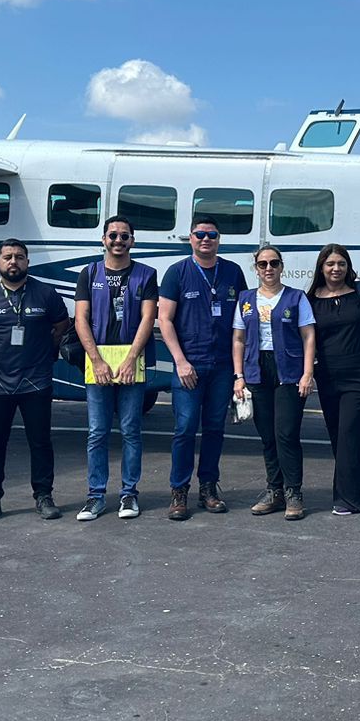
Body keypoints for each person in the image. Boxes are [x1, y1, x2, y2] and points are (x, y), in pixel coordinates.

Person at [0, 239, 71, 525]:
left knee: (40, 441)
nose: (14, 262)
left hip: (36, 380)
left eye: (20, 257)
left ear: (27, 262)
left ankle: (44, 496)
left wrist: (44, 350)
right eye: (8, 257)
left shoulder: (46, 293)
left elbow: (61, 326)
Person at [157, 215, 247, 520]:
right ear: (191, 238)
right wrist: (180, 361)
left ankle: (208, 488)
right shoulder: (177, 272)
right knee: (184, 429)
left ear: (219, 239)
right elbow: (165, 319)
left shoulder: (233, 272)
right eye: (200, 234)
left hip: (222, 366)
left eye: (211, 235)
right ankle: (179, 491)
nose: (206, 239)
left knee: (214, 428)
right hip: (189, 366)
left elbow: (242, 321)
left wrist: (240, 370)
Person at [73, 215, 158, 521]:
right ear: (104, 240)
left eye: (124, 236)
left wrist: (131, 359)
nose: (118, 240)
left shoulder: (147, 274)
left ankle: (129, 494)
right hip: (98, 364)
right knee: (97, 432)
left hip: (130, 364)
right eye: (113, 235)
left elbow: (148, 318)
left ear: (132, 240)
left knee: (131, 431)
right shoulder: (89, 273)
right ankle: (95, 496)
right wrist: (96, 361)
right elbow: (80, 319)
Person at [232, 245, 317, 519]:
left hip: (288, 371)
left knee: (286, 434)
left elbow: (308, 336)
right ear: (256, 268)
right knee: (268, 436)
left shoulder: (296, 297)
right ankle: (274, 491)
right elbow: (238, 339)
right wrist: (239, 376)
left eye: (274, 263)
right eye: (263, 264)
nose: (268, 268)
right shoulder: (245, 299)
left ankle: (294, 492)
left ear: (281, 267)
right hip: (256, 371)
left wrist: (307, 373)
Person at [308, 243, 360, 515]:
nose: (336, 269)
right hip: (328, 377)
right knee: (338, 436)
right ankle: (357, 492)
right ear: (321, 267)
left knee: (350, 436)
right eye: (330, 264)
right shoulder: (311, 299)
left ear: (348, 266)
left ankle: (348, 500)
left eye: (341, 264)